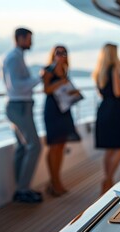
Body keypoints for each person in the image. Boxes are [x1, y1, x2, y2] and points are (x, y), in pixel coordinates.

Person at [0, 27, 42, 203]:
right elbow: (17, 86)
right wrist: (40, 77)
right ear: (20, 38)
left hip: (18, 106)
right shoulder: (14, 58)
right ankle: (23, 189)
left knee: (23, 147)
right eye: (29, 39)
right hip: (19, 107)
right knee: (34, 146)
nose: (31, 42)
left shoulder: (15, 57)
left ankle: (21, 189)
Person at [93, 43, 120, 194]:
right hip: (117, 110)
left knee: (110, 148)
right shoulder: (114, 69)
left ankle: (108, 179)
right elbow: (118, 92)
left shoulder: (99, 71)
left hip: (104, 109)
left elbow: (102, 92)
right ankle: (108, 180)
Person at [40, 45, 81, 197]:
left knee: (61, 145)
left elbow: (64, 90)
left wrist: (74, 92)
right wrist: (61, 83)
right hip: (52, 110)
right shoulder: (48, 70)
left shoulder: (65, 70)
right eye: (58, 52)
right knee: (53, 146)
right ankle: (54, 182)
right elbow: (46, 90)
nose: (61, 55)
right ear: (53, 54)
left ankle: (56, 181)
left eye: (64, 52)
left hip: (64, 109)